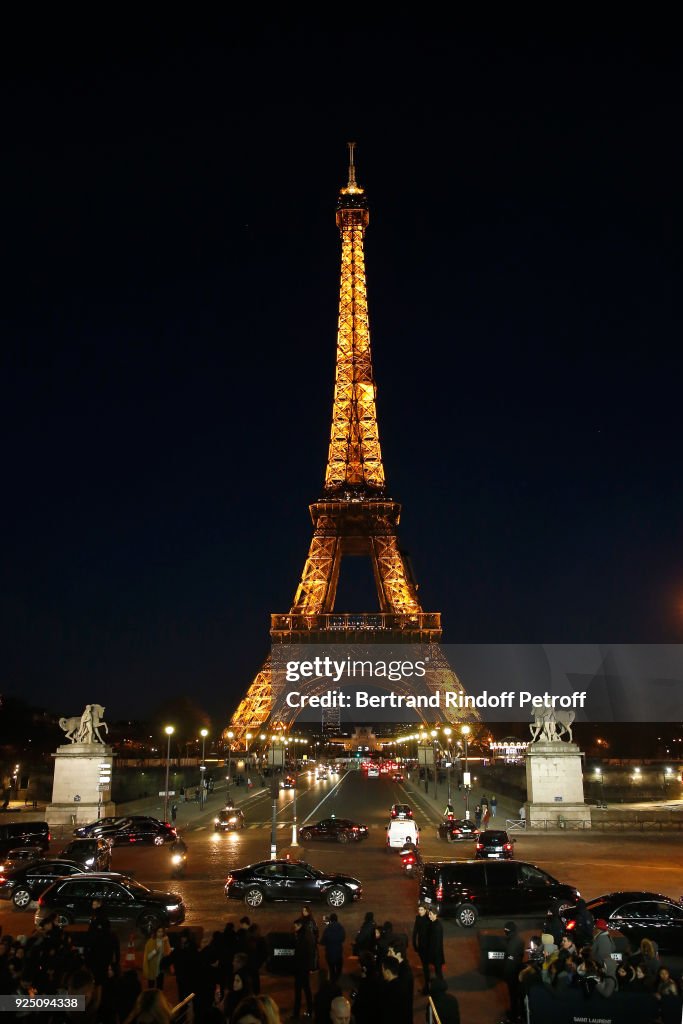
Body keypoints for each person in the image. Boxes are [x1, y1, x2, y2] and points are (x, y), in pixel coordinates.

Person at [502, 921, 524, 1023]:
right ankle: (518, 1013)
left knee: (514, 995)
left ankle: (514, 1016)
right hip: (516, 971)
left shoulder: (512, 943)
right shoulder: (518, 939)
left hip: (512, 974)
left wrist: (506, 975)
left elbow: (510, 962)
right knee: (516, 995)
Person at [292, 919, 315, 1019]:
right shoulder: (307, 935)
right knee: (306, 989)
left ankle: (296, 1014)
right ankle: (309, 1010)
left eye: (295, 926)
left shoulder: (301, 937)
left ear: (300, 926)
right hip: (305, 968)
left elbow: (300, 954)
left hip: (300, 968)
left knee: (298, 991)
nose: (294, 928)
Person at [380, 956, 411, 1024]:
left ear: (388, 972)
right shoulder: (403, 985)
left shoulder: (388, 990)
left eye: (383, 969)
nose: (382, 972)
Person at [320, 913, 345, 984]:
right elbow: (343, 938)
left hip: (329, 952)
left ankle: (333, 981)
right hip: (338, 952)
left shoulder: (327, 929)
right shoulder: (341, 927)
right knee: (338, 968)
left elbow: (323, 941)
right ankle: (337, 980)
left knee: (331, 969)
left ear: (330, 920)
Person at [412, 905, 430, 995]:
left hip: (427, 947)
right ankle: (427, 986)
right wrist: (415, 945)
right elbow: (415, 933)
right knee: (425, 967)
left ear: (425, 910)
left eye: (422, 910)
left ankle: (427, 987)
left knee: (426, 968)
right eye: (419, 909)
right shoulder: (419, 918)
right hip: (422, 947)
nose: (420, 911)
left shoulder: (428, 919)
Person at [425, 909, 445, 987]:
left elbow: (436, 942)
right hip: (436, 953)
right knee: (438, 971)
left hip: (436, 954)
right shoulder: (434, 924)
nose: (429, 916)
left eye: (430, 914)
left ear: (435, 915)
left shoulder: (437, 926)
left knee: (438, 972)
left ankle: (441, 986)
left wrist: (433, 954)